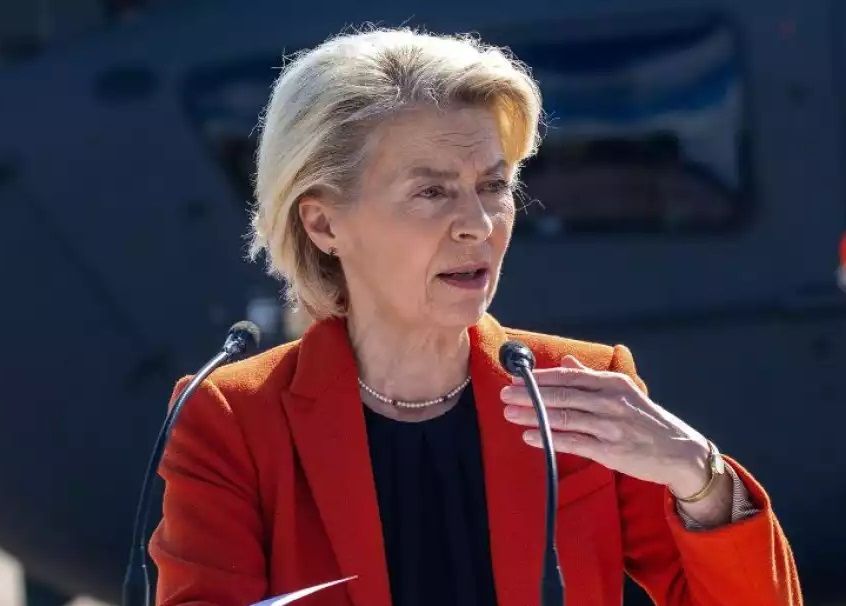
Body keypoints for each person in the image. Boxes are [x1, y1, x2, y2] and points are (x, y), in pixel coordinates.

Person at [149, 26, 801, 606]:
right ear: (323, 224)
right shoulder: (231, 419)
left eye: (494, 186)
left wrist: (700, 479)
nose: (479, 225)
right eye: (432, 191)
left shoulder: (581, 386)